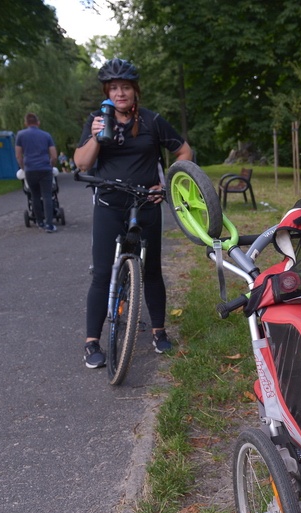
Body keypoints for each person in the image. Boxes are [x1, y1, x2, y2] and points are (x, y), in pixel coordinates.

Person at [73, 58, 193, 368]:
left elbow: (183, 150)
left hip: (145, 203)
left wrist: (165, 185)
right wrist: (97, 137)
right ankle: (91, 343)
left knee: (151, 271)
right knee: (102, 274)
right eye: (114, 88)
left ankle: (159, 332)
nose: (120, 93)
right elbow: (82, 163)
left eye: (125, 87)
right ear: (107, 92)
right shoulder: (97, 120)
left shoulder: (153, 121)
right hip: (109, 203)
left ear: (135, 90)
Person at [15, 113, 58, 232]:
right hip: (44, 168)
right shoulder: (46, 135)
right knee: (47, 196)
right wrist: (51, 166)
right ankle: (49, 224)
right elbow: (54, 156)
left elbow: (18, 155)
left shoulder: (20, 135)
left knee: (35, 196)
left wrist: (23, 167)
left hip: (30, 169)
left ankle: (39, 221)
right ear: (38, 122)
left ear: (26, 123)